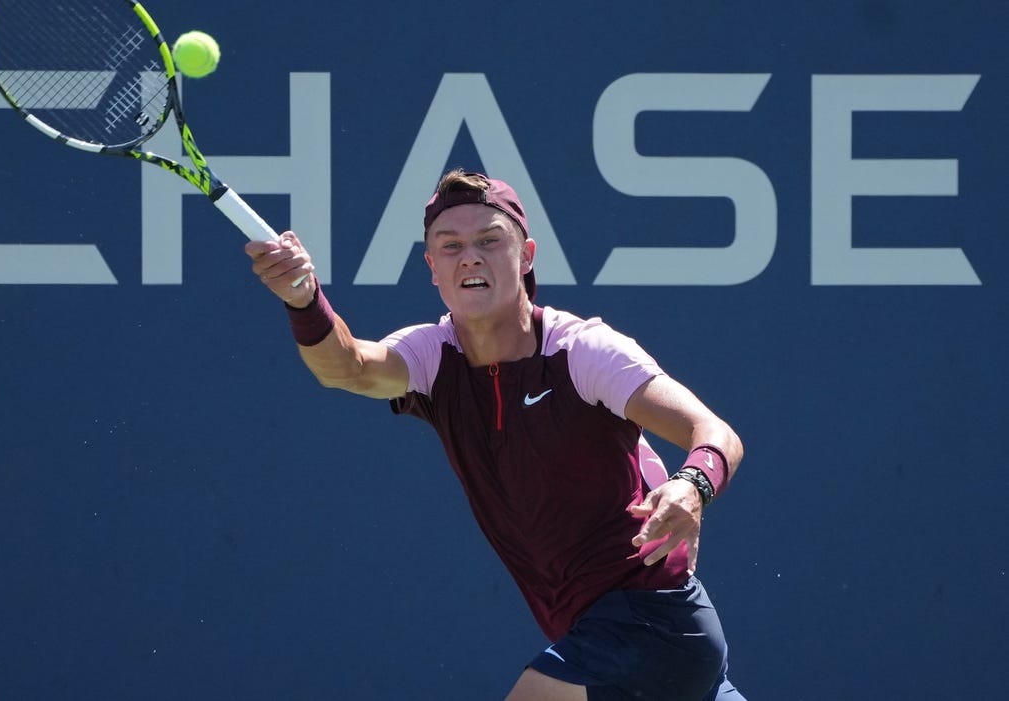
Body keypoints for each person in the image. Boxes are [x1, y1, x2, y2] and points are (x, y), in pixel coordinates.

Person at [245, 169, 746, 700]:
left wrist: (693, 484)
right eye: (450, 245)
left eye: (490, 241)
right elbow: (345, 366)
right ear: (432, 267)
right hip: (619, 637)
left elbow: (715, 432)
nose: (470, 257)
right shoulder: (432, 358)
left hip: (651, 617)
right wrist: (303, 298)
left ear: (526, 256)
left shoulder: (583, 352)